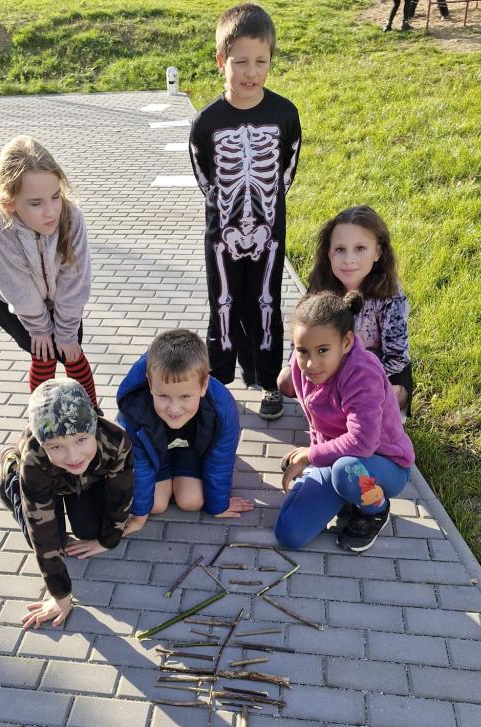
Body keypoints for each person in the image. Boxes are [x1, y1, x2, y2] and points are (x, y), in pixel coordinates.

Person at [189, 3, 301, 420]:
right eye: (240, 62)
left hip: (269, 231)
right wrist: (230, 212)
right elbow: (205, 176)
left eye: (260, 61)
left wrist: (264, 207)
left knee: (266, 302)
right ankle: (218, 383)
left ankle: (268, 381)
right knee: (223, 303)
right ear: (222, 62)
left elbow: (286, 171)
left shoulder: (285, 114)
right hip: (223, 234)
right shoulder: (207, 121)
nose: (251, 72)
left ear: (271, 60)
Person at [274, 291, 415, 553]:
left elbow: (363, 442)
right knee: (289, 534)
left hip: (384, 463)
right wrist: (313, 459)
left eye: (323, 350)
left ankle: (375, 511)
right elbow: (316, 421)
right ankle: (345, 495)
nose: (311, 363)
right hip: (339, 458)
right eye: (303, 350)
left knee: (346, 472)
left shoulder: (362, 373)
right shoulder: (300, 367)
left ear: (347, 342)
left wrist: (310, 456)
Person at [0, 380, 140, 629]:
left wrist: (108, 540)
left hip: (85, 482)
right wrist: (60, 595)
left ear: (93, 427)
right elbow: (41, 529)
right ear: (44, 444)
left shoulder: (116, 440)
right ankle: (10, 470)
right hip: (46, 484)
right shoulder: (35, 459)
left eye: (81, 440)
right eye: (56, 446)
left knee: (90, 531)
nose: (73, 455)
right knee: (50, 541)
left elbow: (121, 495)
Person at [0, 135, 99, 409]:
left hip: (61, 294)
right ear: (10, 202)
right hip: (11, 299)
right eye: (35, 203)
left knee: (71, 352)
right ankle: (42, 419)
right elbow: (18, 287)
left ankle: (92, 415)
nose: (50, 212)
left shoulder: (71, 217)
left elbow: (75, 279)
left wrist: (66, 332)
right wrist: (40, 329)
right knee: (44, 353)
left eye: (55, 196)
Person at [280, 205, 413, 415]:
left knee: (391, 395)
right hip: (329, 361)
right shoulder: (321, 286)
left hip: (376, 369)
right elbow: (302, 332)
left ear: (378, 252)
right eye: (340, 249)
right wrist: (301, 365)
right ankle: (328, 410)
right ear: (329, 253)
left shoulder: (390, 294)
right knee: (286, 381)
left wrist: (350, 377)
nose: (349, 259)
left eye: (360, 248)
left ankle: (363, 415)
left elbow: (397, 357)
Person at [116, 328, 253, 528]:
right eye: (164, 396)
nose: (174, 408)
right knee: (155, 505)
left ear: (203, 385)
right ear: (150, 384)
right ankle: (167, 479)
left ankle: (181, 475)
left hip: (191, 451)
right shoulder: (135, 408)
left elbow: (220, 460)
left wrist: (218, 505)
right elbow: (140, 465)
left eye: (185, 397)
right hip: (157, 453)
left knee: (191, 502)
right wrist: (139, 515)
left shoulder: (222, 409)